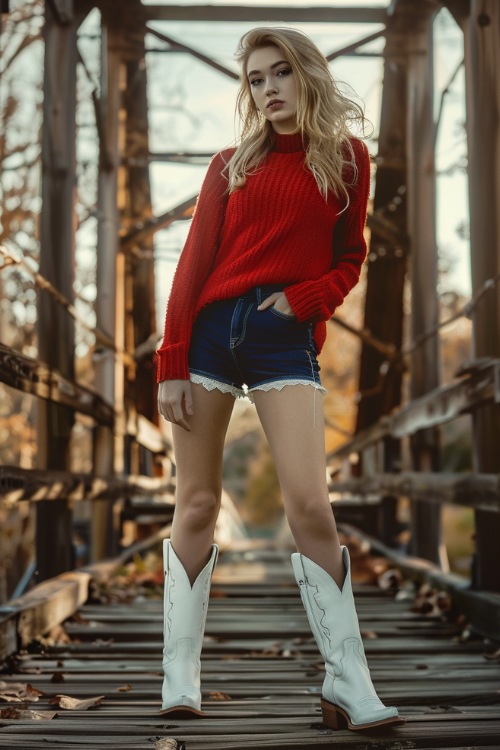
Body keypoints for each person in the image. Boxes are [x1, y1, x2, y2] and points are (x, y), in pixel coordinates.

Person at [156, 27, 404, 732]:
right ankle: (180, 677)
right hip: (208, 334)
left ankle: (348, 682)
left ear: (308, 76)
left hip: (280, 338)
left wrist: (306, 299)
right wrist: (171, 359)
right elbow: (192, 263)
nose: (267, 90)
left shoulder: (348, 161)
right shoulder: (230, 165)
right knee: (198, 502)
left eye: (279, 74)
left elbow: (350, 258)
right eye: (256, 80)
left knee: (312, 508)